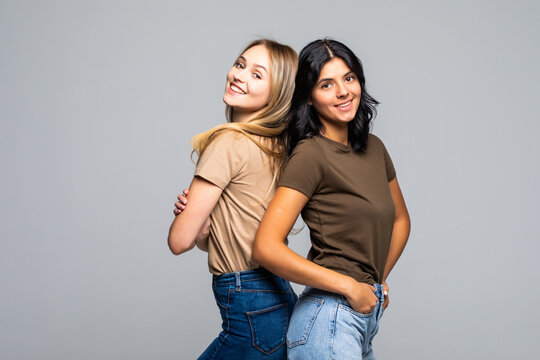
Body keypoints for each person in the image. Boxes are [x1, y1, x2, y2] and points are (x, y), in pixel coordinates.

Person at [252, 39, 411, 360]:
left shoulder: (375, 148)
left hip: (361, 318)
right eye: (327, 84)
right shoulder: (311, 154)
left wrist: (375, 281)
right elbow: (266, 246)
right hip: (329, 316)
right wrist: (351, 286)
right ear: (309, 98)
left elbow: (400, 220)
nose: (343, 91)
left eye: (349, 78)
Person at [167, 39, 298, 359]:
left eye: (257, 74)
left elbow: (179, 242)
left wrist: (183, 220)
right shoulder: (274, 149)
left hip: (252, 305)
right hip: (278, 297)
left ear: (278, 93)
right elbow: (207, 240)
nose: (240, 76)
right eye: (240, 65)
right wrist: (201, 218)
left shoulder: (226, 142)